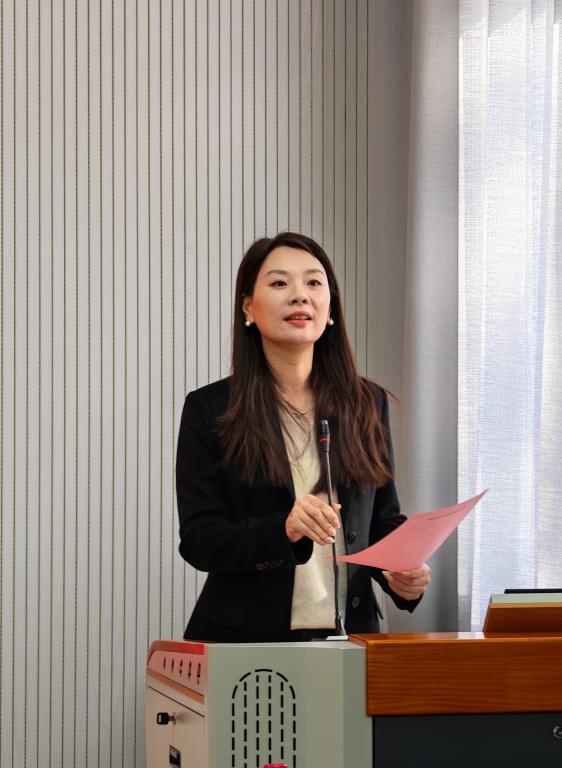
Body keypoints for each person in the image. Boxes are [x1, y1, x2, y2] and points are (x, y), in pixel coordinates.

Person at [176, 232, 430, 642]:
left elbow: (381, 520)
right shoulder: (211, 408)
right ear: (248, 307)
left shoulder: (366, 402)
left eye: (314, 282)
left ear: (330, 308)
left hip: (352, 641)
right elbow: (200, 541)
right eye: (280, 283)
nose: (300, 295)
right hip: (249, 644)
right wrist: (284, 529)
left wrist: (403, 572)